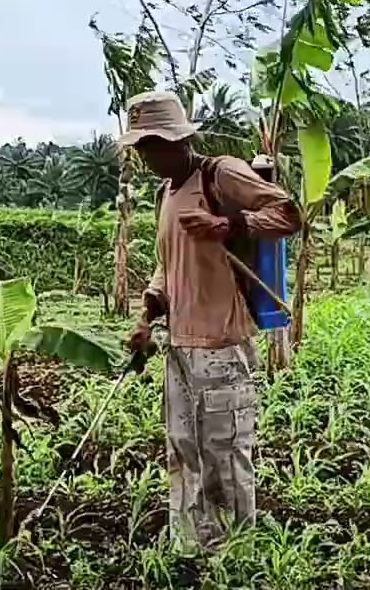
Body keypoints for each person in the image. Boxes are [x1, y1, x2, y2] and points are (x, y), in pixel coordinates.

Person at [118, 90, 302, 549]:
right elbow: (167, 264)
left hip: (221, 343)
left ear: (177, 140)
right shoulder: (166, 192)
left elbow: (288, 213)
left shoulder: (220, 174)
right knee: (183, 451)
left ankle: (236, 551)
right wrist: (147, 315)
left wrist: (230, 225)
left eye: (151, 146)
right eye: (140, 148)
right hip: (179, 345)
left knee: (224, 454)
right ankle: (193, 547)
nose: (145, 157)